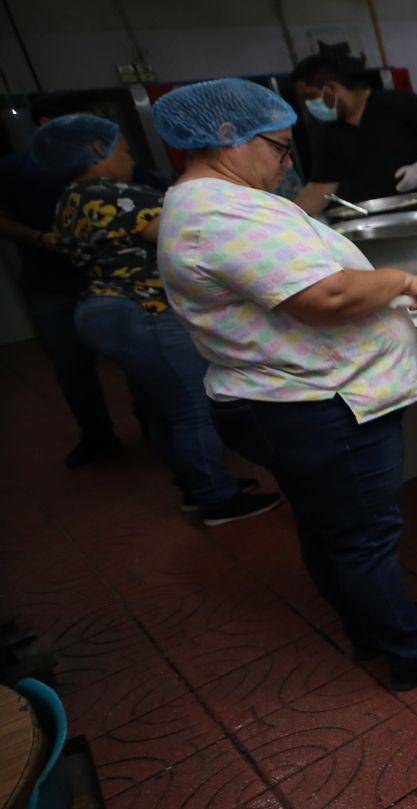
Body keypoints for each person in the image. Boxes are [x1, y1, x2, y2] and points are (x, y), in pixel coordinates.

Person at [151, 78, 417, 690]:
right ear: (227, 137)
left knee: (329, 527)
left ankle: (373, 623)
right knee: (362, 537)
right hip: (313, 404)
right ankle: (416, 655)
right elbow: (327, 294)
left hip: (291, 398)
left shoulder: (215, 200)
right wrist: (401, 282)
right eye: (281, 149)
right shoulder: (217, 212)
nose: (288, 163)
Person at [30, 115, 282, 522]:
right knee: (191, 405)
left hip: (100, 310)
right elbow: (188, 238)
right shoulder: (120, 196)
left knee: (162, 406)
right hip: (140, 308)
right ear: (96, 154)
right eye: (124, 150)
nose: (131, 158)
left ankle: (194, 489)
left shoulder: (69, 199)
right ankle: (217, 499)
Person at [0, 101, 119, 467]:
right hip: (52, 283)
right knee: (71, 366)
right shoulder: (16, 169)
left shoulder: (110, 165)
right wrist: (39, 238)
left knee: (137, 360)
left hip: (111, 280)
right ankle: (96, 434)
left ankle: (159, 426)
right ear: (46, 124)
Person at [288, 56, 417, 213]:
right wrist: (287, 218)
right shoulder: (330, 133)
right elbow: (320, 188)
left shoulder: (397, 103)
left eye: (311, 96)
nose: (310, 104)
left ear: (331, 88)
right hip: (397, 220)